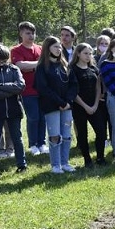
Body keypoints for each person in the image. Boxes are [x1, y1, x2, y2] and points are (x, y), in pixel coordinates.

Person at [0, 44, 27, 179]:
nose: (1, 64)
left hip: (13, 109)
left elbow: (21, 86)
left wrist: (1, 86)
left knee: (17, 138)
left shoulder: (14, 69)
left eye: (3, 61)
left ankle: (22, 164)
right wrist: (10, 91)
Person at [35, 36, 78, 174]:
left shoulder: (65, 66)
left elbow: (73, 84)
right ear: (48, 49)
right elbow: (43, 88)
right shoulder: (42, 67)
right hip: (52, 106)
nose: (59, 49)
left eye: (60, 46)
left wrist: (68, 101)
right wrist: (60, 102)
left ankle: (65, 163)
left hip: (67, 106)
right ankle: (56, 165)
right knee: (55, 135)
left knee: (66, 135)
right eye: (55, 46)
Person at [11, 21, 47, 155]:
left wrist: (34, 64)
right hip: (27, 90)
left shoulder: (40, 48)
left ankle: (42, 143)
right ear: (21, 34)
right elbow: (20, 65)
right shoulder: (16, 50)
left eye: (33, 33)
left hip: (42, 89)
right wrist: (40, 63)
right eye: (28, 33)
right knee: (33, 117)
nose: (31, 36)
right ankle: (33, 144)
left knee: (43, 117)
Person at [69, 43, 107, 167]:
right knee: (82, 133)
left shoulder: (94, 69)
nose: (88, 56)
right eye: (85, 53)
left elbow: (98, 88)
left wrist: (95, 105)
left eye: (90, 53)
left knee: (101, 131)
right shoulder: (72, 69)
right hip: (79, 106)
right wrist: (85, 106)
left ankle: (100, 158)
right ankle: (87, 159)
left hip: (94, 106)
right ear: (78, 54)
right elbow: (73, 91)